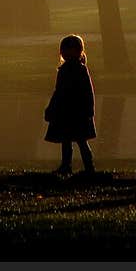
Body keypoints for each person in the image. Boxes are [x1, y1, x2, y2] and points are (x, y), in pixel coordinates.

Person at [43, 33, 96, 175]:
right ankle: (66, 166)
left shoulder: (80, 69)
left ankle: (88, 168)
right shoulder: (64, 70)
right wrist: (51, 108)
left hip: (77, 111)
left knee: (81, 141)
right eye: (63, 50)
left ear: (77, 51)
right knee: (66, 140)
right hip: (66, 111)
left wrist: (89, 110)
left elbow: (87, 91)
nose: (64, 53)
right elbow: (58, 91)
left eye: (67, 49)